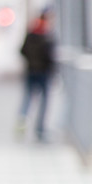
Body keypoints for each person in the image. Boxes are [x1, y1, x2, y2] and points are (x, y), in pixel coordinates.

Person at [18, 8, 56, 141]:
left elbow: (22, 50)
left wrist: (31, 61)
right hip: (43, 73)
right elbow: (50, 56)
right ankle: (40, 130)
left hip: (31, 71)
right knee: (44, 102)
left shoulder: (31, 32)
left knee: (28, 98)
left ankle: (21, 123)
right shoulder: (47, 34)